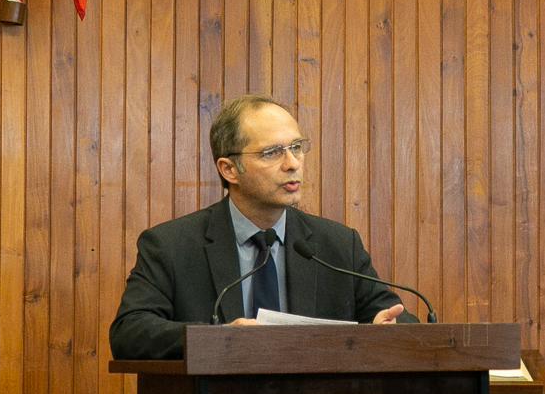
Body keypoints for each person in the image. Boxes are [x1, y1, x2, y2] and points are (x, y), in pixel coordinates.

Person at [109, 94, 415, 360]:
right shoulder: (172, 245)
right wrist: (220, 339)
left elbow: (395, 318)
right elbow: (129, 331)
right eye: (272, 152)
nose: (293, 163)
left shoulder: (336, 245)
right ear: (229, 169)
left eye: (296, 147)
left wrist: (386, 330)